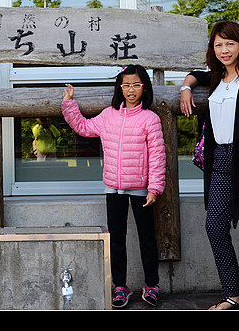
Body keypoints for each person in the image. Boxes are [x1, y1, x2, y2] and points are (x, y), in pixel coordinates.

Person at [179, 20, 239, 310]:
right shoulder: (215, 78)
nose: (224, 50)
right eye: (218, 44)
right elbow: (194, 75)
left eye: (229, 43)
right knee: (215, 226)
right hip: (220, 160)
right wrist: (185, 87)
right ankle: (234, 294)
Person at [61, 65, 166, 308]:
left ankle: (152, 285)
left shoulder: (150, 119)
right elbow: (84, 127)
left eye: (136, 85)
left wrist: (154, 188)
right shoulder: (109, 115)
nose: (131, 90)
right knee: (116, 238)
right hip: (113, 188)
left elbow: (158, 157)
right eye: (126, 85)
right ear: (120, 87)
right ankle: (120, 287)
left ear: (144, 87)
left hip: (141, 189)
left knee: (147, 238)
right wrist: (69, 104)